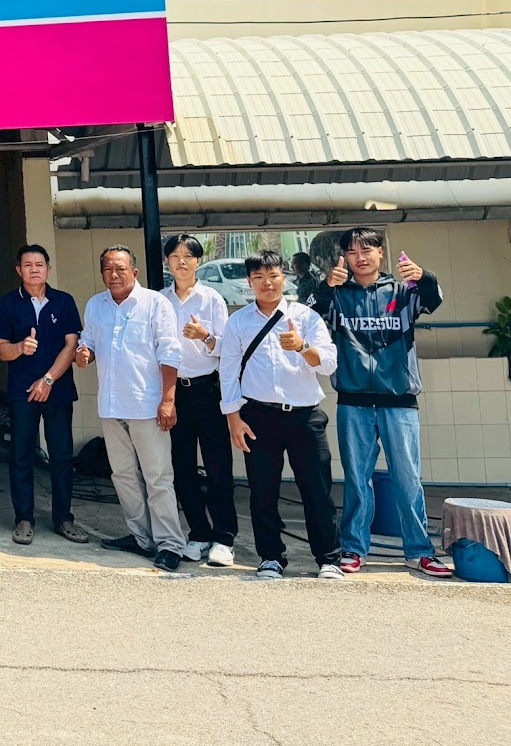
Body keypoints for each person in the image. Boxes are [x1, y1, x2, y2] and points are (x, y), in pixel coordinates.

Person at [308, 228, 449, 578]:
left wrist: (424, 276)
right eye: (352, 252)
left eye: (367, 250)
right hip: (353, 401)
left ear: (380, 252)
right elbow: (309, 311)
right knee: (357, 479)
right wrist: (326, 285)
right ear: (344, 257)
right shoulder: (337, 295)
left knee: (408, 479)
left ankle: (419, 551)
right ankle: (354, 548)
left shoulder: (403, 292)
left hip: (399, 400)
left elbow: (434, 299)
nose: (360, 257)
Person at [219, 248, 341, 580]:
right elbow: (228, 372)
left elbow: (329, 364)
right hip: (258, 416)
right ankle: (271, 557)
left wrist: (302, 346)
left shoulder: (305, 317)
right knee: (263, 492)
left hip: (305, 416)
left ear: (283, 278)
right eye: (258, 277)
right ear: (249, 281)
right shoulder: (238, 321)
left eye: (273, 276)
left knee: (317, 491)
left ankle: (328, 558)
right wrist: (233, 418)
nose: (267, 283)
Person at [75, 245, 185, 572]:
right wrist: (84, 354)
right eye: (108, 269)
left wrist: (168, 400)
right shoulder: (96, 305)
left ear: (134, 272)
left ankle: (170, 544)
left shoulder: (155, 304)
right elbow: (88, 342)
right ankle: (141, 537)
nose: (114, 274)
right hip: (112, 405)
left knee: (157, 477)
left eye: (120, 268)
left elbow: (170, 352)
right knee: (122, 475)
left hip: (148, 405)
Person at [0, 243, 90, 547]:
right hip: (22, 391)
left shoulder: (64, 302)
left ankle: (63, 518)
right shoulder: (7, 304)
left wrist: (47, 379)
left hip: (58, 390)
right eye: (28, 265)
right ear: (18, 270)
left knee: (61, 455)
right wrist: (20, 347)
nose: (34, 270)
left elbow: (71, 346)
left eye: (39, 265)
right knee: (21, 455)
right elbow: (2, 351)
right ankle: (24, 518)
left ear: (48, 268)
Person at [160, 234, 236, 568]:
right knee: (182, 466)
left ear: (198, 261)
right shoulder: (160, 300)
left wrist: (205, 336)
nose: (181, 261)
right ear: (167, 262)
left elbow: (227, 348)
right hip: (173, 391)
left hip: (207, 389)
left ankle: (224, 538)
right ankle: (199, 533)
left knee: (218, 466)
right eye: (175, 255)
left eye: (188, 256)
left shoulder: (212, 299)